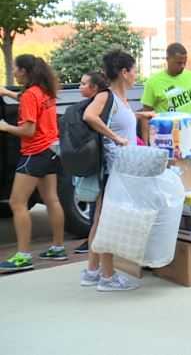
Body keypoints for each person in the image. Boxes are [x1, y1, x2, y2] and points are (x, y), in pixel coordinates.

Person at [80, 50, 154, 291]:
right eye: (133, 71)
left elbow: (122, 120)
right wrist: (115, 138)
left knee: (101, 220)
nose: (135, 75)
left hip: (120, 170)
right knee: (109, 222)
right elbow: (89, 116)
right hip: (114, 170)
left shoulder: (121, 100)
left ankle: (92, 271)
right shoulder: (106, 96)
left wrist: (141, 116)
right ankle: (108, 277)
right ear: (124, 72)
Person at [0, 56, 65, 273]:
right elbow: (27, 100)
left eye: (16, 69)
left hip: (33, 153)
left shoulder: (30, 95)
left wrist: (5, 127)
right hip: (51, 150)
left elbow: (28, 130)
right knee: (51, 199)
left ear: (25, 71)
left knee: (17, 203)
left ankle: (23, 256)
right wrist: (8, 93)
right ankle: (57, 247)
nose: (15, 73)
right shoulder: (44, 91)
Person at [73, 71, 110, 255]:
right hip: (96, 160)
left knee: (97, 204)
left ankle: (92, 242)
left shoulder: (94, 104)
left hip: (93, 160)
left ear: (94, 87)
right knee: (97, 205)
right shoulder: (92, 106)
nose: (79, 87)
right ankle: (93, 243)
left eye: (83, 84)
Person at [140, 42, 191, 141]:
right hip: (164, 136)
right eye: (178, 63)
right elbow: (145, 115)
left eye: (184, 63)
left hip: (188, 135)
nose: (182, 66)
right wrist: (145, 144)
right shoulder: (153, 82)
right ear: (168, 59)